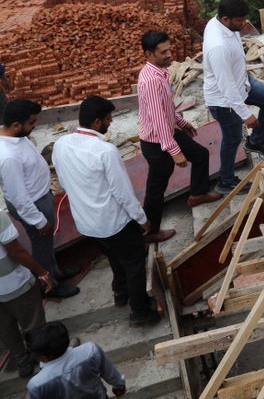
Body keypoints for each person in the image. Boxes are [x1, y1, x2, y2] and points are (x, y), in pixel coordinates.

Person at [52, 96, 160, 328]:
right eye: (108, 119)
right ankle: (140, 311)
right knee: (134, 263)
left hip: (87, 224)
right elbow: (123, 192)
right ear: (97, 121)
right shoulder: (105, 151)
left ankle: (120, 291)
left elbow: (64, 181)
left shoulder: (61, 144)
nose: (111, 122)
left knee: (113, 255)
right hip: (113, 223)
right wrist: (142, 219)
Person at [138, 31, 221, 244]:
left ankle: (197, 195)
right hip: (157, 142)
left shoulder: (159, 73)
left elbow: (165, 109)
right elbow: (158, 119)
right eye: (163, 52)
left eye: (169, 50)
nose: (169, 55)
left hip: (167, 132)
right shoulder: (151, 81)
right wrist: (174, 151)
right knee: (156, 188)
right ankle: (151, 232)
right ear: (149, 54)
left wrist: (182, 123)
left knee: (200, 154)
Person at [0, 99, 80, 299]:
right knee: (41, 245)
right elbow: (18, 197)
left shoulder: (16, 136)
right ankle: (48, 286)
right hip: (33, 204)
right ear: (16, 125)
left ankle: (56, 272)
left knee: (47, 241)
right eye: (32, 122)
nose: (35, 125)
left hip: (39, 197)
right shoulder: (8, 156)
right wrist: (38, 220)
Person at [203, 0, 264, 193]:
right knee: (232, 140)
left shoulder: (223, 24)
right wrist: (245, 114)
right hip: (224, 100)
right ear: (225, 19)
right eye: (239, 20)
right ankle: (226, 181)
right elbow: (226, 86)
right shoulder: (218, 46)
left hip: (243, 82)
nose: (244, 23)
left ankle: (255, 141)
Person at [0, 206, 53, 378]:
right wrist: (42, 272)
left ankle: (23, 363)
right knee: (34, 324)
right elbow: (16, 251)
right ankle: (45, 359)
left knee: (5, 329)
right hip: (13, 284)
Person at [26, 321, 126, 398]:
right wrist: (119, 386)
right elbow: (109, 372)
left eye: (30, 352)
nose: (28, 353)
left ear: (44, 357)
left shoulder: (37, 384)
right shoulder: (90, 351)